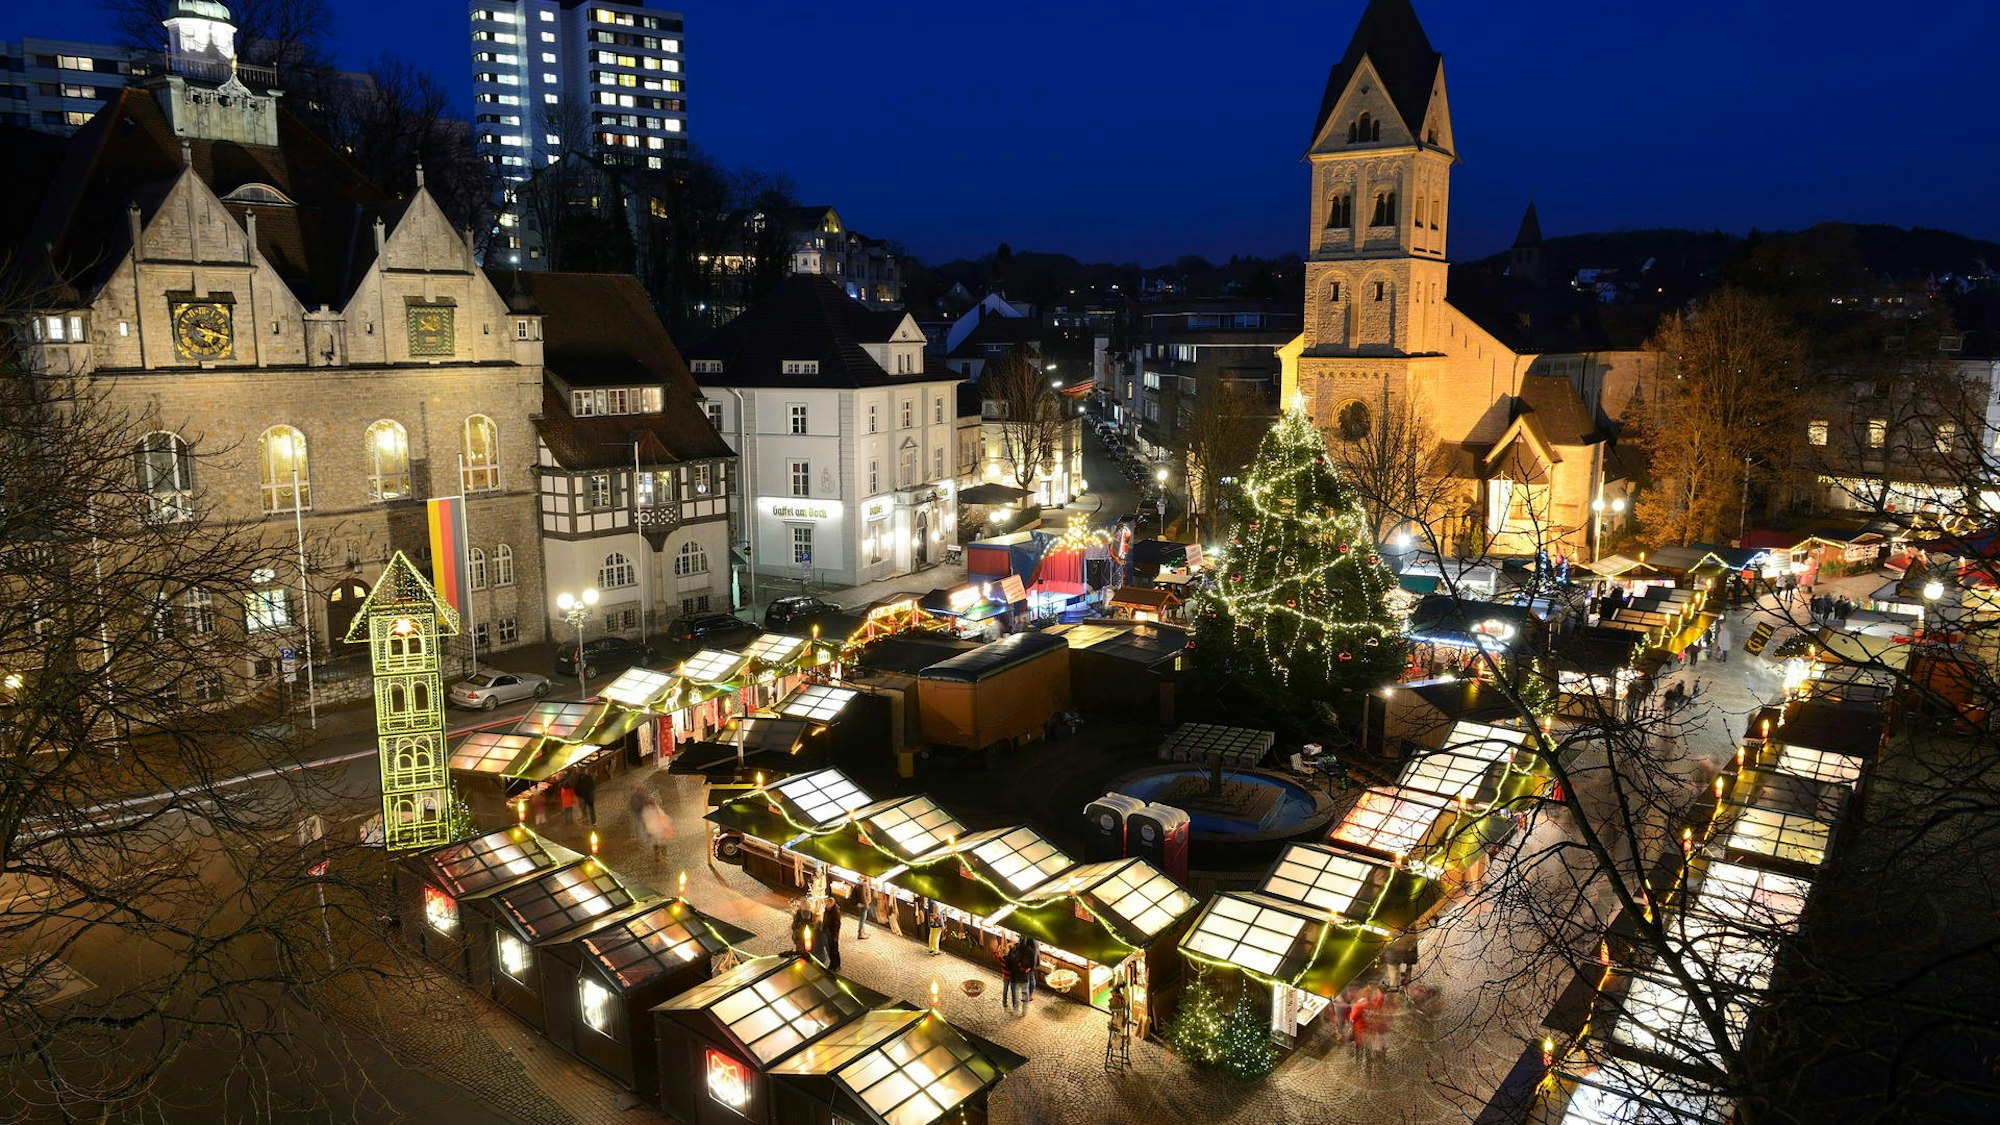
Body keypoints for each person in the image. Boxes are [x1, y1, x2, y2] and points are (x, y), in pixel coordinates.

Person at [820, 897, 843, 973]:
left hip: (832, 934)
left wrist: (835, 936)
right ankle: (832, 964)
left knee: (834, 950)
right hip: (827, 932)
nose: (826, 905)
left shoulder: (835, 912)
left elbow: (837, 925)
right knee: (829, 949)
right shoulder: (827, 910)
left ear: (831, 904)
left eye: (827, 904)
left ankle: (837, 965)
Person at [998, 941, 1022, 1012]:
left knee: (1005, 989)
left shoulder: (1001, 958)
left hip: (1005, 976)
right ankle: (1015, 1005)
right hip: (1012, 976)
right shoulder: (1011, 958)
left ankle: (1004, 1002)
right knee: (1013, 991)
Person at [1018, 937, 1040, 1008]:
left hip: (1029, 962)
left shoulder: (1028, 939)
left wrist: (1030, 966)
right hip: (1032, 961)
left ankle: (1028, 995)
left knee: (1029, 978)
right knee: (1031, 977)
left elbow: (1025, 950)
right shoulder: (1034, 937)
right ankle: (1029, 994)